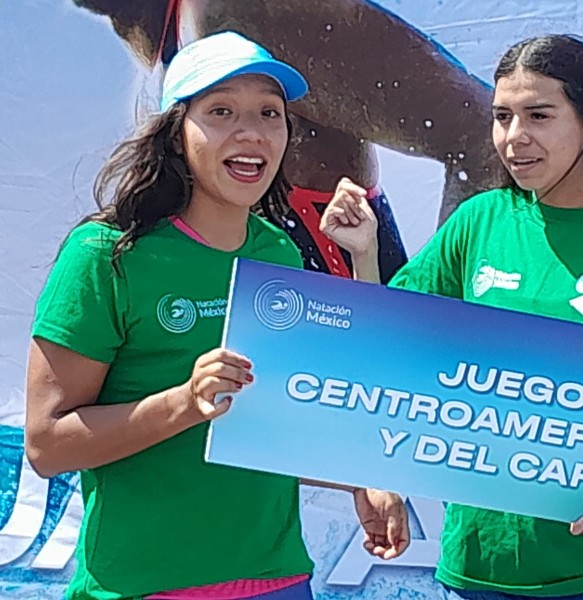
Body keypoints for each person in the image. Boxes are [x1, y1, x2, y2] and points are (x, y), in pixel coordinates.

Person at [320, 34, 583, 600]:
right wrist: (364, 252)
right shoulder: (479, 219)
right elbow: (392, 346)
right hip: (479, 567)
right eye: (502, 116)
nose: (514, 137)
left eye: (539, 116)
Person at [24, 31, 408, 600]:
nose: (251, 132)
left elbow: (269, 425)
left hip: (279, 579)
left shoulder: (278, 253)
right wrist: (183, 402)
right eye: (222, 111)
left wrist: (359, 480)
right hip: (142, 585)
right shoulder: (106, 255)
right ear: (177, 133)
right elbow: (47, 445)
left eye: (269, 113)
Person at [73, 0, 509, 283]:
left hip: (330, 296)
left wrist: (442, 323)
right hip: (258, 306)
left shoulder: (249, 8)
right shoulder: (155, 25)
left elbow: (483, 137)